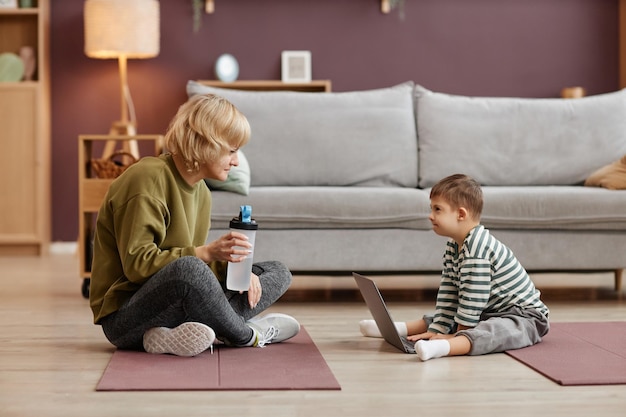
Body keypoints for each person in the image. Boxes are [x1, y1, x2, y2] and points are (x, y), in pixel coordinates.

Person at [89, 93, 300, 357]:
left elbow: (192, 267)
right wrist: (207, 253)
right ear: (205, 143)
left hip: (174, 302)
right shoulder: (147, 179)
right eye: (232, 151)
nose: (236, 161)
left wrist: (235, 269)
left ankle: (177, 336)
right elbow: (138, 265)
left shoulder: (202, 193)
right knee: (190, 268)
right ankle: (246, 335)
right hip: (125, 317)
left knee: (276, 272)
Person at [359, 173, 549, 361]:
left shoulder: (478, 249)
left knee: (491, 331)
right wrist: (437, 329)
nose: (430, 216)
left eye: (437, 209)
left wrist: (456, 334)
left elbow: (474, 298)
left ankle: (445, 347)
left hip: (525, 317)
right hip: (488, 310)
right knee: (455, 317)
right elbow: (449, 295)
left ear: (460, 214)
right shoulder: (453, 246)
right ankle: (397, 329)